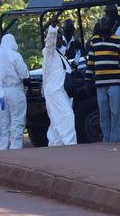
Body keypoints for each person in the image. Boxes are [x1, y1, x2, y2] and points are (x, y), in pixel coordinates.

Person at [84, 16, 120, 143]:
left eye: (106, 25)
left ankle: (115, 139)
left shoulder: (118, 41)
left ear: (110, 26)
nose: (103, 27)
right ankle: (106, 139)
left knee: (116, 112)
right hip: (100, 84)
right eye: (102, 25)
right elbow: (91, 62)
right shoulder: (94, 41)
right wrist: (88, 81)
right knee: (103, 114)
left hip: (115, 83)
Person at [42, 18, 77, 146]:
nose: (60, 40)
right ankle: (70, 145)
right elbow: (49, 43)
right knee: (67, 116)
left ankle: (55, 147)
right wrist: (52, 28)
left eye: (61, 38)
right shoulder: (49, 53)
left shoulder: (60, 55)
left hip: (62, 91)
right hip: (55, 91)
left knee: (56, 122)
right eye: (58, 37)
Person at [0, 33, 30, 150]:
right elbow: (24, 74)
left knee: (5, 122)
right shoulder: (15, 56)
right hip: (15, 90)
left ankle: (3, 147)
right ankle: (15, 147)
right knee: (17, 120)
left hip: (1, 92)